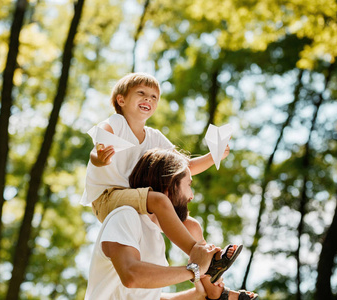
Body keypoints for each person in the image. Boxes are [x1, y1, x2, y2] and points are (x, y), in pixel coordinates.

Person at [81, 72, 238, 281]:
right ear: (121, 100)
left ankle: (211, 274)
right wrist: (99, 158)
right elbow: (98, 146)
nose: (148, 99)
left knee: (191, 225)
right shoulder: (116, 123)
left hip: (136, 198)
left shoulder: (154, 136)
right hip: (108, 198)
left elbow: (184, 167)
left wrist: (212, 156)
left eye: (154, 97)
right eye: (141, 93)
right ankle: (200, 257)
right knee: (159, 199)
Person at [84, 148, 258, 300]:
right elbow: (131, 275)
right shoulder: (125, 216)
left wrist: (197, 295)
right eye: (189, 184)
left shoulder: (154, 237)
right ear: (169, 187)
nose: (192, 196)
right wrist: (194, 270)